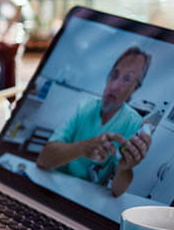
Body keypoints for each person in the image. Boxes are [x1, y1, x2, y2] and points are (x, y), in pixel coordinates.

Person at [34, 46, 153, 197]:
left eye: (126, 79)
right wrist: (83, 148)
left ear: (134, 88)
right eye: (114, 75)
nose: (114, 86)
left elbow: (117, 191)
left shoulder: (134, 123)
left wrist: (125, 168)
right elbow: (43, 159)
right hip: (53, 185)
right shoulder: (86, 106)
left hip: (85, 197)